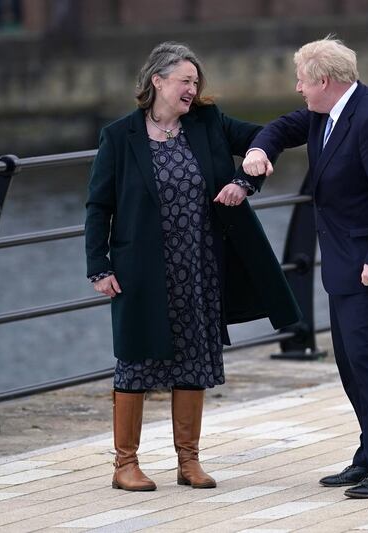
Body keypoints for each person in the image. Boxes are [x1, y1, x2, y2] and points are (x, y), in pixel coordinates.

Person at [85, 42, 301, 492]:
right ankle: (125, 464)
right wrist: (98, 266)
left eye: (196, 81)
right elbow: (98, 206)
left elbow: (265, 139)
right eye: (185, 80)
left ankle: (189, 462)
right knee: (136, 363)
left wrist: (247, 178)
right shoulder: (119, 136)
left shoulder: (208, 123)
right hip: (141, 271)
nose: (193, 88)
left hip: (200, 268)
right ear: (157, 81)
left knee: (193, 362)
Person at [241, 36, 368, 499]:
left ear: (324, 80)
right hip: (342, 263)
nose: (297, 88)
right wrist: (259, 152)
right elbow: (279, 128)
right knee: (350, 364)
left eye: (301, 80)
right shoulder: (327, 113)